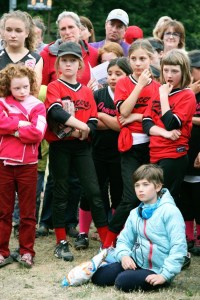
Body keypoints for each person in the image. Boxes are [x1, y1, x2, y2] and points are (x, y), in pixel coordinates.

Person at [44, 41, 108, 261]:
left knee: (94, 192)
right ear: (59, 64)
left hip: (82, 147)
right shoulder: (55, 86)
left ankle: (106, 243)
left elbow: (92, 119)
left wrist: (84, 130)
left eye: (73, 60)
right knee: (60, 192)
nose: (69, 64)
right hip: (60, 146)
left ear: (80, 64)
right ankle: (61, 242)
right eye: (65, 60)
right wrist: (80, 127)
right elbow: (56, 112)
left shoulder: (85, 91)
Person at [92, 164, 187, 292]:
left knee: (122, 281)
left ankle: (158, 279)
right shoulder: (135, 212)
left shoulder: (170, 212)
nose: (140, 189)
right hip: (137, 263)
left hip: (158, 270)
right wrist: (124, 256)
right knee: (99, 277)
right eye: (137, 185)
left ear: (158, 186)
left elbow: (179, 247)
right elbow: (123, 240)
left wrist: (164, 275)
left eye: (145, 184)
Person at [102, 39, 160, 248]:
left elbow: (155, 115)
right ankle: (108, 241)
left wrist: (136, 118)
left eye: (142, 59)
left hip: (153, 145)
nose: (138, 63)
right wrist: (140, 86)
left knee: (152, 196)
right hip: (131, 146)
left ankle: (143, 240)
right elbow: (123, 111)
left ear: (151, 59)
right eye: (133, 59)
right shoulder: (124, 83)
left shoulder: (159, 86)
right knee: (130, 197)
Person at [76, 58, 133, 248]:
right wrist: (106, 119)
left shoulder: (130, 95)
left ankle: (115, 234)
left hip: (120, 153)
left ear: (128, 75)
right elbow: (91, 122)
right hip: (97, 152)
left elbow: (123, 125)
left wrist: (102, 116)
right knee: (92, 193)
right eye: (110, 74)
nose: (113, 78)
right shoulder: (98, 94)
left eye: (118, 74)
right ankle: (82, 232)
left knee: (118, 194)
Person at [0, 64, 46, 268]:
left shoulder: (37, 105)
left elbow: (38, 133)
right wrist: (20, 125)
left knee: (28, 212)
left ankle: (27, 251)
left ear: (31, 85)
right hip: (4, 164)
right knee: (3, 211)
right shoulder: (2, 102)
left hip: (28, 165)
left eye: (25, 87)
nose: (21, 92)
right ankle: (2, 251)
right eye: (17, 88)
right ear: (8, 86)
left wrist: (11, 129)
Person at [143, 49, 196, 208]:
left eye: (174, 71)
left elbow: (171, 123)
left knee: (164, 201)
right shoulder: (160, 92)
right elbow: (146, 123)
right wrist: (164, 133)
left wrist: (164, 96)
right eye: (166, 70)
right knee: (154, 199)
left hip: (174, 154)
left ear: (184, 71)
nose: (169, 75)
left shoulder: (187, 95)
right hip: (155, 152)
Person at [178, 50, 200, 255]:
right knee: (183, 196)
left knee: (198, 197)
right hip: (182, 150)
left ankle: (199, 237)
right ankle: (188, 236)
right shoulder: (182, 91)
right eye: (196, 69)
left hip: (198, 151)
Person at [40, 11, 98, 86]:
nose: (67, 32)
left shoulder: (94, 54)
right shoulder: (47, 55)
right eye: (63, 29)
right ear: (59, 32)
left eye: (71, 27)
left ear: (79, 29)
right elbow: (41, 89)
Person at [0, 10, 43, 87]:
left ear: (27, 33)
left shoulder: (35, 59)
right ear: (3, 32)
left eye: (18, 31)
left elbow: (34, 90)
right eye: (9, 30)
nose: (13, 35)